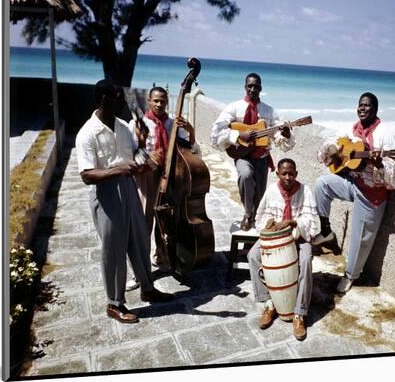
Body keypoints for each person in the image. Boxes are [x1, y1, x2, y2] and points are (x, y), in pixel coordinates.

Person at [75, 79, 174, 324]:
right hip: (106, 194)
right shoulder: (87, 133)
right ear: (105, 99)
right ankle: (115, 303)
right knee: (114, 250)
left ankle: (147, 288)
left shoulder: (121, 126)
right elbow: (87, 175)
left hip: (129, 188)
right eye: (120, 97)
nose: (125, 101)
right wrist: (119, 169)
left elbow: (134, 154)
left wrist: (144, 153)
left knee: (139, 239)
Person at [312, 92, 395, 294]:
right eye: (360, 105)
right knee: (321, 184)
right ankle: (326, 231)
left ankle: (350, 275)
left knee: (360, 237)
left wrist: (379, 164)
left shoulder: (385, 134)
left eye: (367, 106)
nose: (363, 108)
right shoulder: (352, 128)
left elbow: (392, 175)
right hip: (353, 182)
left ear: (376, 109)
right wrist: (335, 150)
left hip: (372, 193)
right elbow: (330, 146)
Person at [210, 73, 295, 231]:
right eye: (250, 86)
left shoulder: (269, 111)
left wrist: (286, 134)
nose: (253, 89)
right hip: (241, 155)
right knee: (245, 175)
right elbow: (215, 133)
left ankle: (254, 226)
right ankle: (248, 215)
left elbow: (278, 136)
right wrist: (237, 134)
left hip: (261, 157)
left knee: (259, 195)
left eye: (256, 86)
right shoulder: (234, 107)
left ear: (260, 88)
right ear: (245, 87)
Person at [127, 86, 198, 274]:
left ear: (167, 102)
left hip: (168, 178)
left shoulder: (172, 124)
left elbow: (191, 149)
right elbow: (130, 156)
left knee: (166, 219)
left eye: (163, 101)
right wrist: (148, 157)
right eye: (156, 100)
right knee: (144, 221)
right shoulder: (138, 124)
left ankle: (162, 254)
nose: (160, 104)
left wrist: (190, 130)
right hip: (146, 177)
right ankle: (139, 269)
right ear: (149, 101)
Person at [247, 158, 319, 341]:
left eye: (291, 173)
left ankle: (299, 314)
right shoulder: (272, 191)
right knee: (253, 255)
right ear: (277, 173)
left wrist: (293, 223)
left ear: (296, 174)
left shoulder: (305, 191)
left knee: (305, 259)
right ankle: (269, 303)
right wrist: (271, 225)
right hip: (275, 239)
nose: (288, 177)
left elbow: (312, 220)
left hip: (297, 237)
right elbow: (261, 216)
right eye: (284, 173)